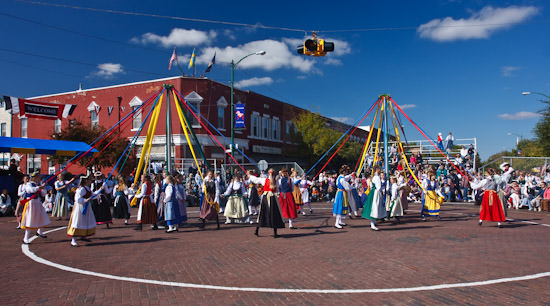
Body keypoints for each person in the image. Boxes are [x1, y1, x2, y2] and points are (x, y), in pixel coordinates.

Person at [67, 176, 104, 247]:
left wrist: (100, 190)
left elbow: (93, 195)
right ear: (86, 180)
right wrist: (86, 200)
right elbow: (77, 199)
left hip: (86, 207)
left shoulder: (87, 188)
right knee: (77, 221)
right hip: (80, 207)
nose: (91, 181)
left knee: (85, 221)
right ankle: (73, 240)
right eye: (90, 180)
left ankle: (83, 235)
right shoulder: (81, 189)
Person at [248, 169, 285, 238]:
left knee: (262, 213)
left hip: (265, 198)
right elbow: (279, 189)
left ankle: (256, 230)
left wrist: (250, 176)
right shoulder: (276, 181)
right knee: (274, 214)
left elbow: (256, 180)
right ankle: (275, 233)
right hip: (273, 198)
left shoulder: (264, 180)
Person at [20, 171, 50, 244]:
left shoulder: (37, 184)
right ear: (35, 177)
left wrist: (43, 188)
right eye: (39, 177)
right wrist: (39, 187)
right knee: (30, 219)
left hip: (37, 202)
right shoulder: (29, 184)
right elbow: (30, 190)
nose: (40, 178)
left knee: (41, 217)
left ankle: (40, 231)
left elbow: (43, 194)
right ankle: (25, 238)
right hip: (31, 203)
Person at [362, 166, 385, 231]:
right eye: (379, 169)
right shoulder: (377, 177)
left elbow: (372, 185)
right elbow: (379, 187)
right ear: (377, 170)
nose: (380, 170)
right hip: (376, 193)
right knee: (374, 207)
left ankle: (373, 223)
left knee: (373, 207)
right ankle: (372, 224)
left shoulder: (373, 177)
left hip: (373, 192)